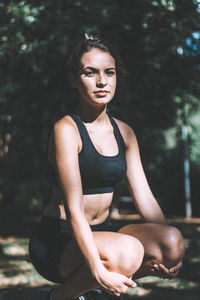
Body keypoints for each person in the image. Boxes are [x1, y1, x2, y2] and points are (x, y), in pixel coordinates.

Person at [29, 34, 185, 300]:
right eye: (90, 73)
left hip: (105, 232)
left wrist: (169, 253)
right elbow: (74, 208)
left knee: (172, 241)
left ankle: (91, 289)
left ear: (116, 77)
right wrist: (97, 269)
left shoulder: (125, 133)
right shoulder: (66, 130)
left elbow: (145, 197)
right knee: (127, 252)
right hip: (61, 240)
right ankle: (60, 296)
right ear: (74, 79)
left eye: (109, 73)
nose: (102, 81)